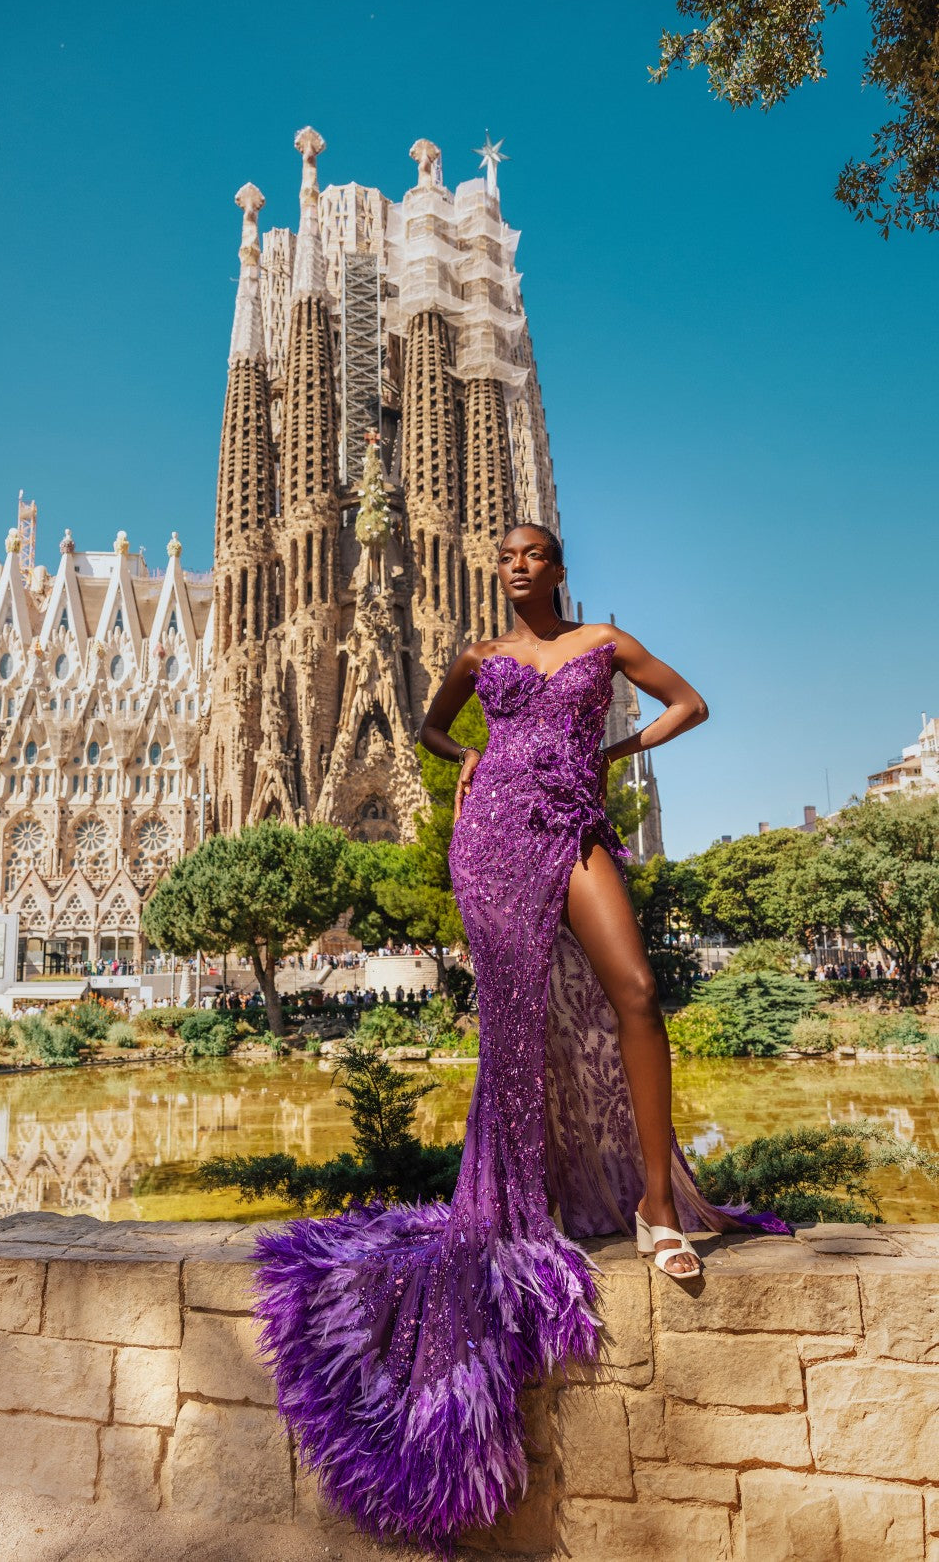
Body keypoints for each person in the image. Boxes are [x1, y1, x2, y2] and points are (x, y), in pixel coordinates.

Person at [253, 525, 786, 1548]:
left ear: (557, 567)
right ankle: (516, 1204)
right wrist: (478, 766)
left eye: (532, 551)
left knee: (632, 989)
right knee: (511, 1020)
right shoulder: (476, 658)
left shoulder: (599, 643)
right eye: (504, 555)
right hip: (493, 826)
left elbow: (691, 702)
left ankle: (652, 1203)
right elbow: (431, 730)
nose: (515, 564)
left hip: (573, 818)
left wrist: (617, 751)